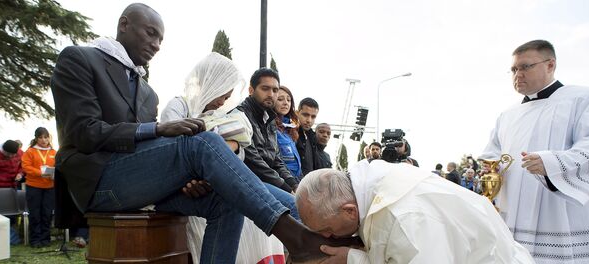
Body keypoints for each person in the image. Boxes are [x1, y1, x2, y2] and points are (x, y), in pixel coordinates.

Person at [50, 4, 359, 263]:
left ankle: (325, 232)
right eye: (150, 33)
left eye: (161, 38)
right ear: (124, 24)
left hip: (138, 184)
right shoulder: (79, 59)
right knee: (202, 143)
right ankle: (295, 237)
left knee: (224, 199)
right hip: (99, 183)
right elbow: (83, 133)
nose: (157, 44)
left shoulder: (147, 91)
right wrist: (158, 128)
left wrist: (185, 179)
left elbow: (149, 155)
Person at [161, 52, 292, 264]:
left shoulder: (223, 115)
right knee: (243, 203)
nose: (224, 100)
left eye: (228, 95)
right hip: (184, 185)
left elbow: (235, 151)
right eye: (222, 93)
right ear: (211, 83)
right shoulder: (179, 107)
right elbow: (173, 151)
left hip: (216, 182)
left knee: (282, 205)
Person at [480, 39, 589, 263]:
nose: (518, 74)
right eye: (514, 69)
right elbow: (492, 154)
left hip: (560, 212)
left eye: (525, 66)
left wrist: (552, 163)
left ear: (550, 65)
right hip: (514, 209)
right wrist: (489, 167)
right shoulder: (507, 115)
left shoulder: (586, 98)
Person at [295, 161, 534, 263]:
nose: (327, 237)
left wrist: (353, 259)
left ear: (349, 211)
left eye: (326, 230)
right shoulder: (371, 183)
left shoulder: (405, 219)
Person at [233, 68, 299, 193]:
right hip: (248, 183)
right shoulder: (240, 115)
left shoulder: (270, 120)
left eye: (275, 90)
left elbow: (277, 161)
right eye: (265, 88)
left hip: (268, 182)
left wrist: (294, 185)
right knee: (295, 207)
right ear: (251, 90)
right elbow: (253, 162)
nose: (271, 94)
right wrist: (286, 188)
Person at [21, 127, 56, 248]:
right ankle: (35, 240)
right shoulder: (30, 151)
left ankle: (45, 239)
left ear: (49, 138)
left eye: (46, 137)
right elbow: (26, 167)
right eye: (40, 137)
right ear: (36, 138)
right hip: (34, 186)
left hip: (49, 187)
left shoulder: (53, 152)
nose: (43, 140)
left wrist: (54, 175)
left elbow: (58, 167)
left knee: (47, 213)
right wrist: (40, 172)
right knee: (35, 213)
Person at [0, 139, 24, 245]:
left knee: (12, 215)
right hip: (0, 188)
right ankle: (7, 238)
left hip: (13, 187)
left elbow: (23, 166)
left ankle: (12, 238)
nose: (11, 157)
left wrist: (20, 174)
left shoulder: (20, 153)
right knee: (2, 215)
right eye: (8, 154)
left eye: (13, 155)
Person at [274, 85, 302, 179]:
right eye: (280, 99)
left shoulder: (289, 129)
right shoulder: (271, 127)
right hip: (283, 181)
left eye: (289, 100)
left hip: (296, 180)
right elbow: (276, 162)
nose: (286, 103)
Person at [296, 97, 321, 175]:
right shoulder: (289, 133)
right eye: (305, 115)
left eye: (313, 117)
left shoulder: (312, 137)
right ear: (297, 113)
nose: (309, 120)